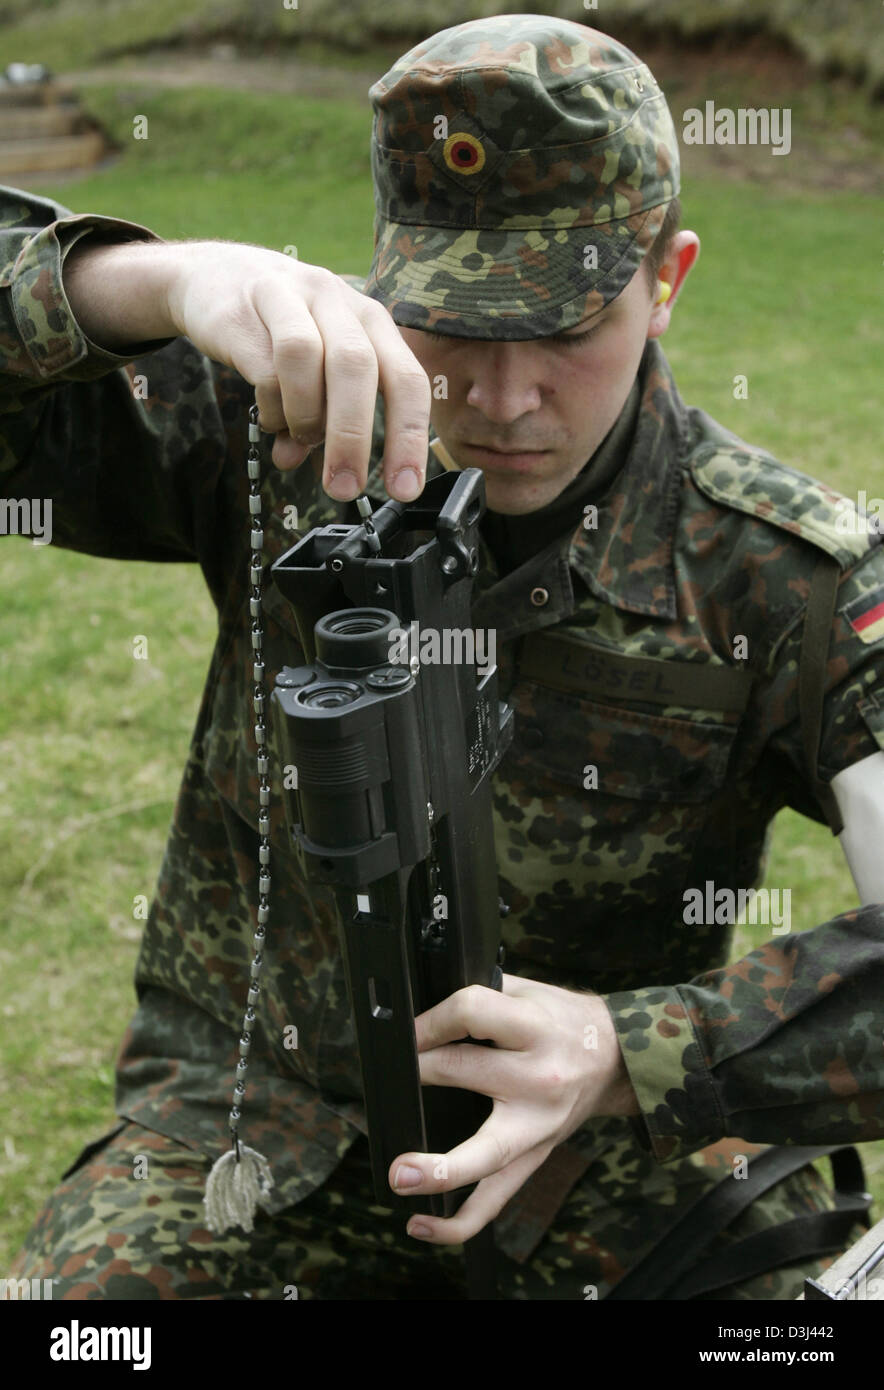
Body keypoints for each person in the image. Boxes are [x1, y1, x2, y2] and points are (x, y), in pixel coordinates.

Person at [2, 14, 883, 1301]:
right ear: (381, 282)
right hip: (249, 1121)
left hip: (593, 1152)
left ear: (668, 278)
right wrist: (152, 287)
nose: (506, 395)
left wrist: (625, 1048)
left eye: (567, 325)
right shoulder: (279, 423)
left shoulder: (785, 573)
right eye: (456, 326)